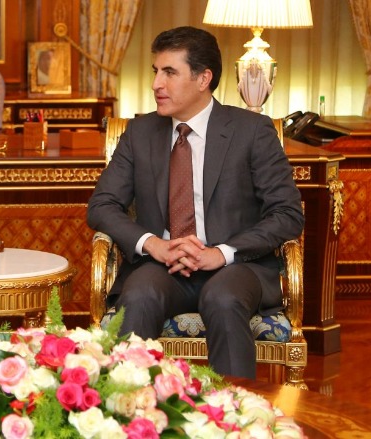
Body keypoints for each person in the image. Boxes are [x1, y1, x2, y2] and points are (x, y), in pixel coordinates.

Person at [87, 26, 304, 379]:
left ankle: (234, 419)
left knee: (223, 299)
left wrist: (221, 252)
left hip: (235, 267)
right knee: (138, 295)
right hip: (162, 267)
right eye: (155, 71)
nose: (157, 83)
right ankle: (131, 416)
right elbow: (102, 205)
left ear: (204, 78)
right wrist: (153, 245)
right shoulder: (141, 133)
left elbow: (287, 214)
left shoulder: (251, 131)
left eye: (169, 72)